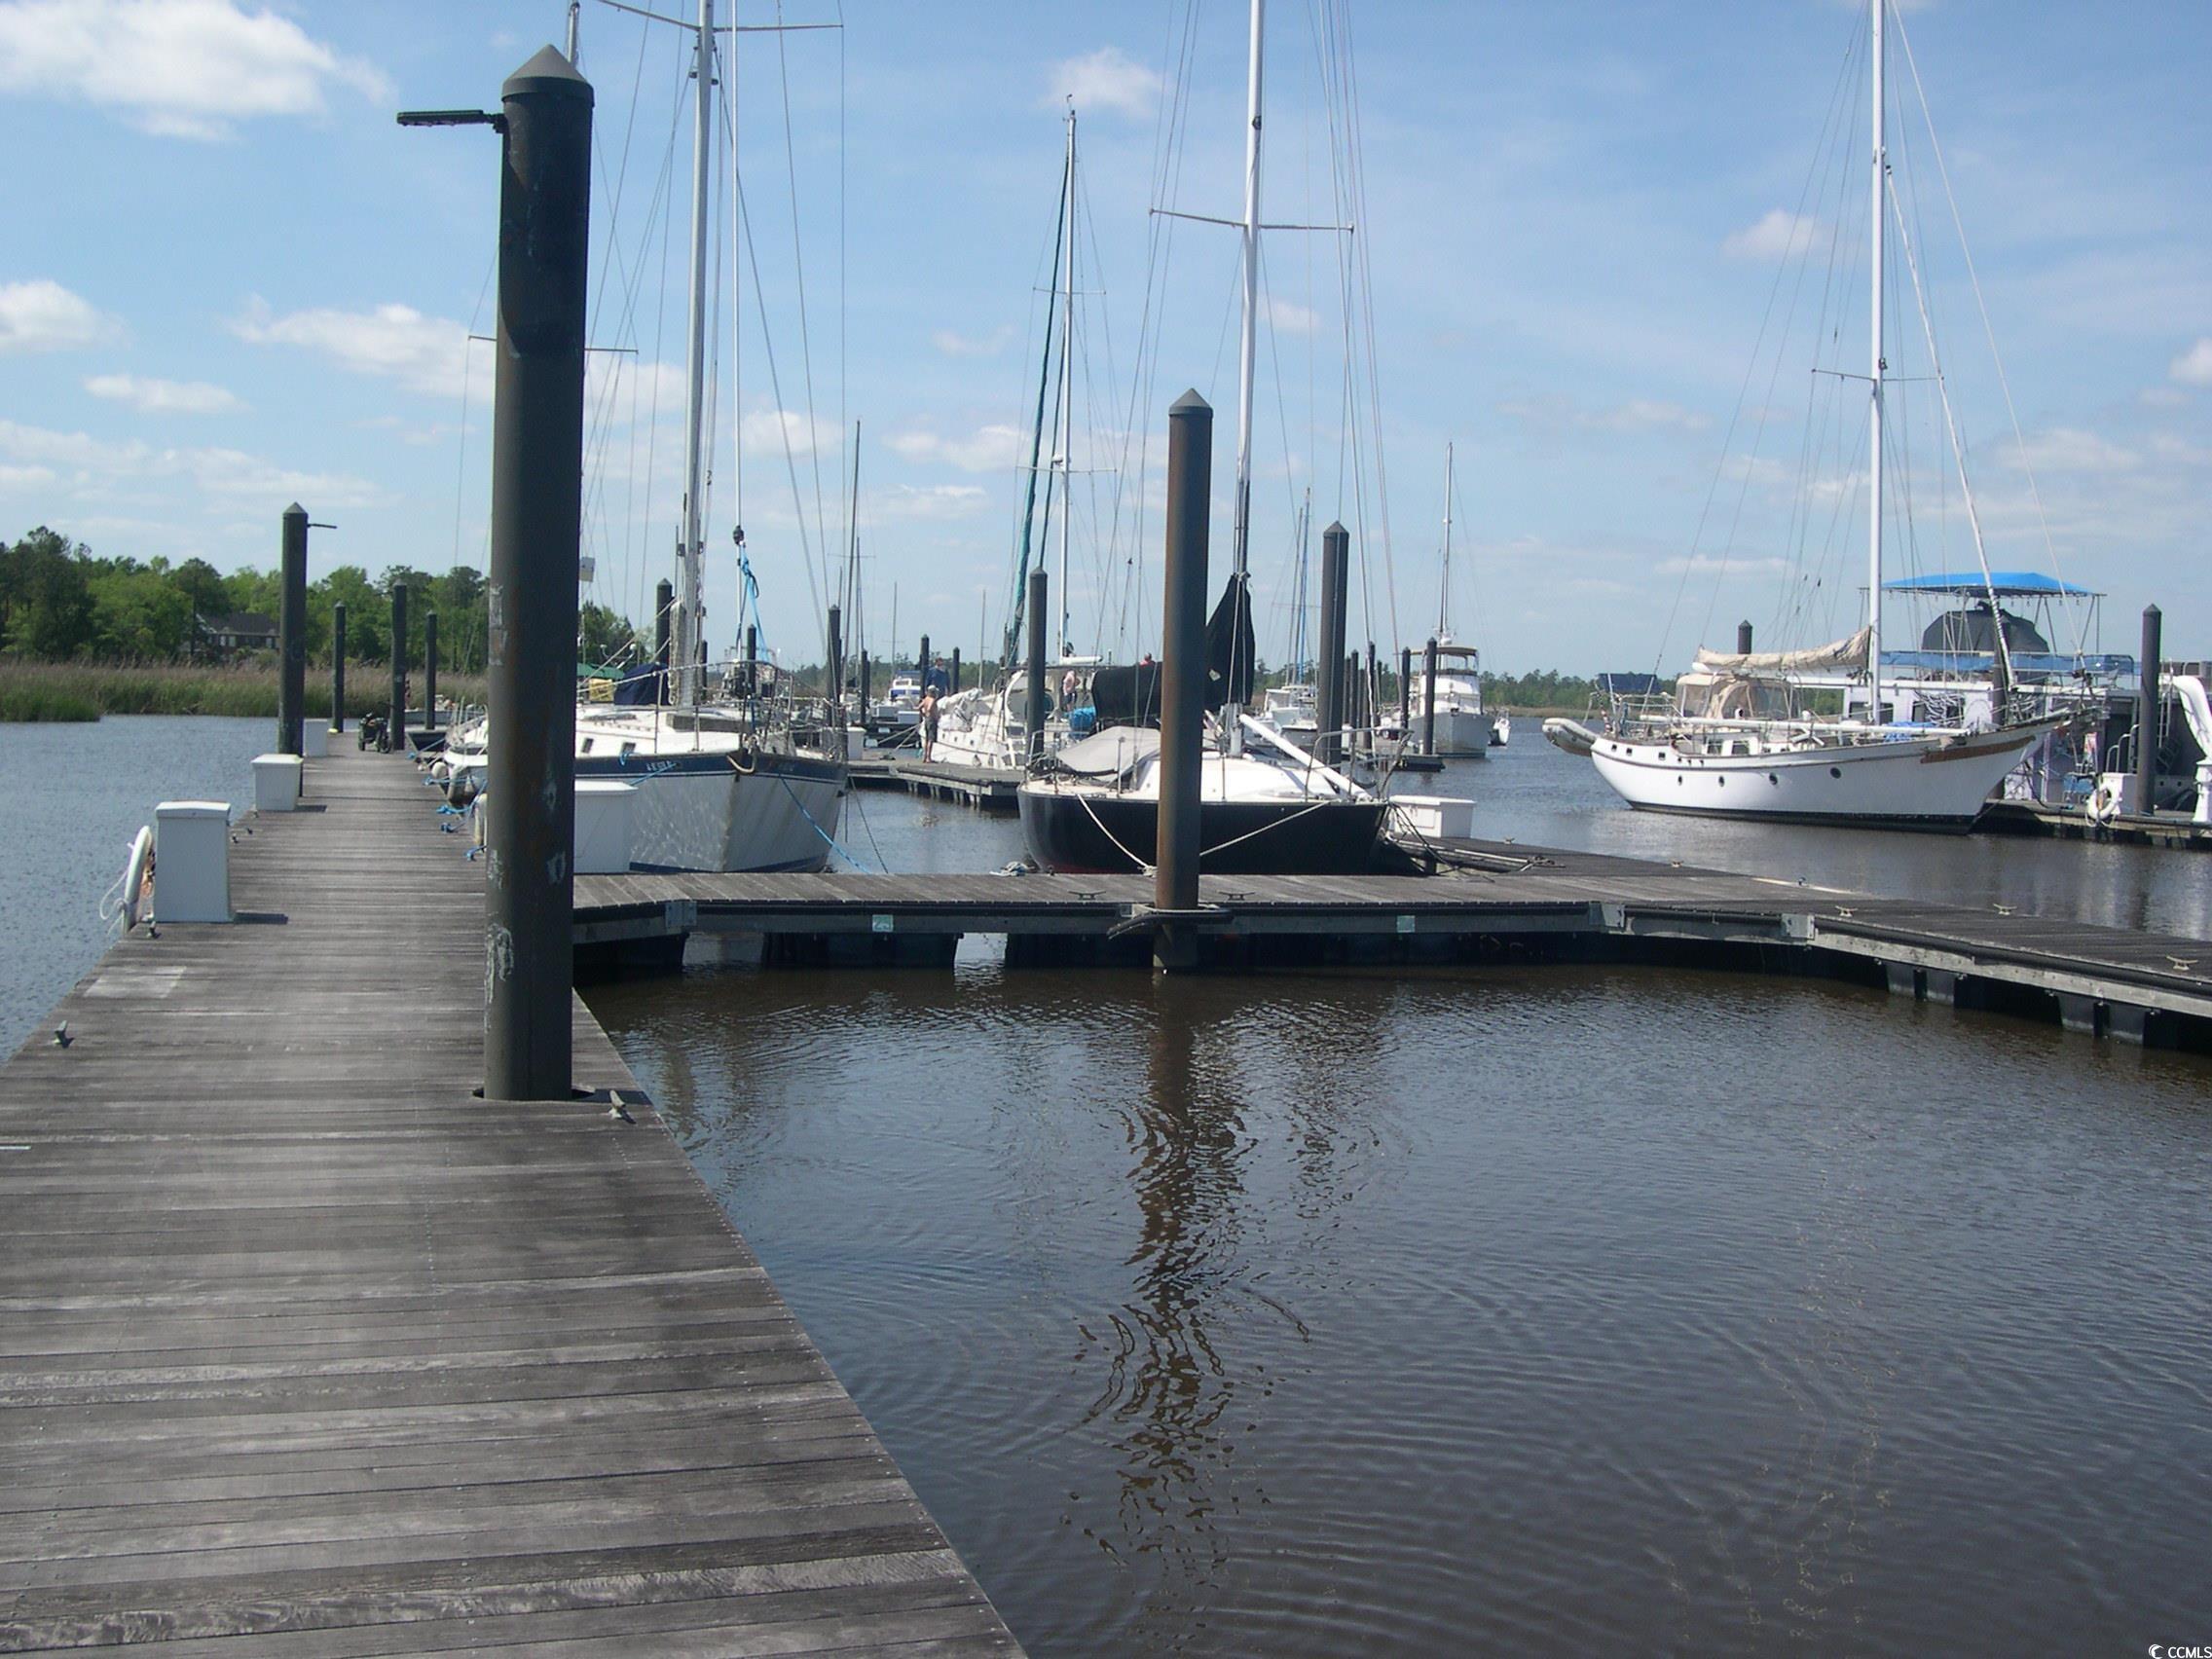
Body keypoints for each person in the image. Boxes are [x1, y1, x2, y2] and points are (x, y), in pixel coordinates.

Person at [919, 685, 940, 762]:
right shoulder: (932, 699)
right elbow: (929, 708)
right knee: (931, 739)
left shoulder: (925, 699)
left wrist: (923, 714)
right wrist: (934, 715)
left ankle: (924, 757)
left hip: (927, 719)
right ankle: (928, 757)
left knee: (927, 739)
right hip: (931, 720)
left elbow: (919, 707)